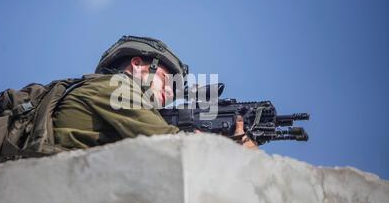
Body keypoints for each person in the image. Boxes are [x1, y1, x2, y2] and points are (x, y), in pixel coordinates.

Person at [52, 36, 258, 150]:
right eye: (167, 81)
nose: (170, 92)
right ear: (137, 64)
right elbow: (168, 144)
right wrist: (227, 149)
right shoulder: (115, 87)